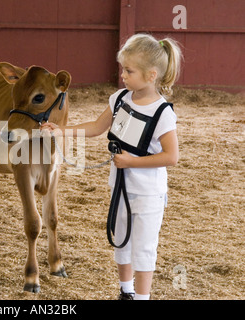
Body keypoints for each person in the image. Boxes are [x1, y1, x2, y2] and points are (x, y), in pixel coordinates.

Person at [41, 33, 182, 300]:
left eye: (129, 71)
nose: (123, 76)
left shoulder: (163, 113)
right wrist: (61, 131)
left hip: (148, 193)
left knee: (143, 248)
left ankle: (142, 297)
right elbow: (96, 127)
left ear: (151, 75)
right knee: (122, 241)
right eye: (123, 69)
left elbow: (171, 157)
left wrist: (132, 162)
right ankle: (125, 291)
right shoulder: (120, 98)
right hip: (120, 186)